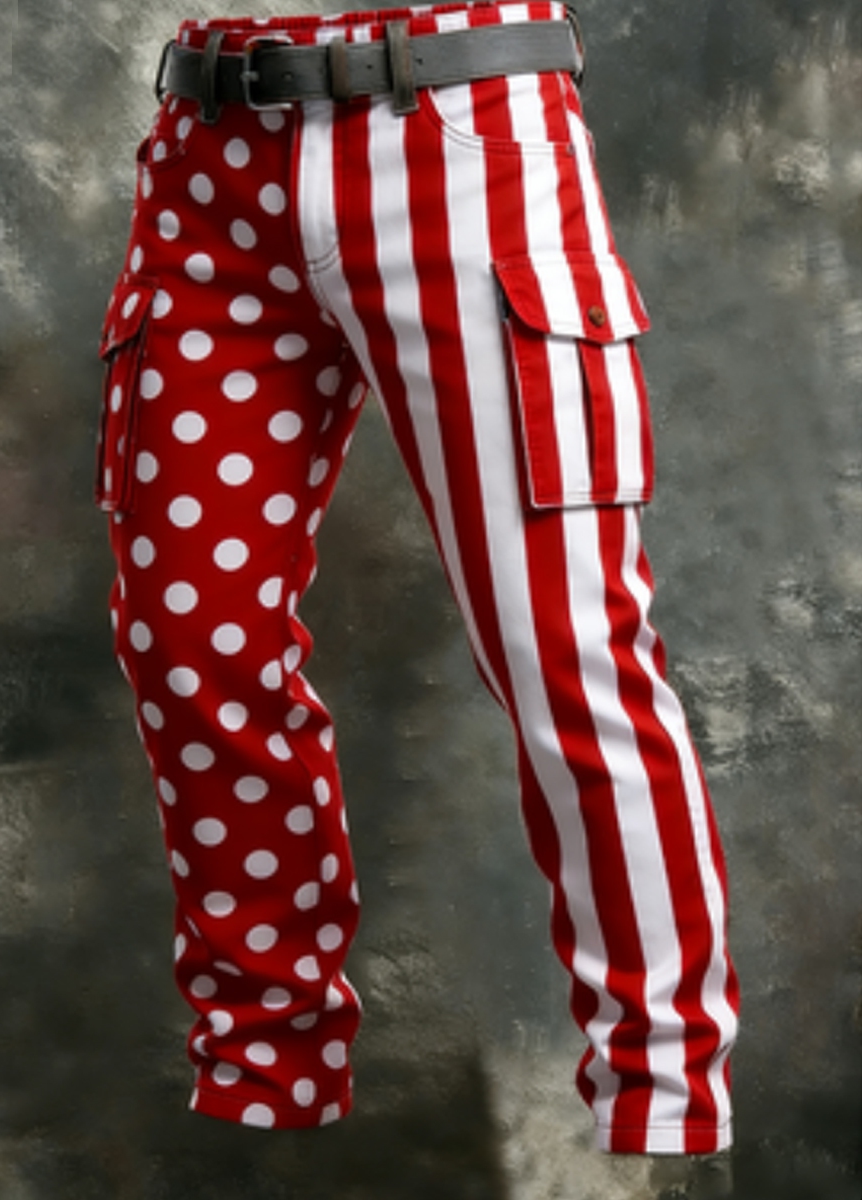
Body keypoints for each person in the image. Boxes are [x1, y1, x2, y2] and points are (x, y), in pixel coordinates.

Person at [96, 0, 739, 1157]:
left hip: (462, 131)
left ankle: (665, 1099)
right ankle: (267, 1074)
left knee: (562, 648)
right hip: (211, 155)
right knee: (191, 641)